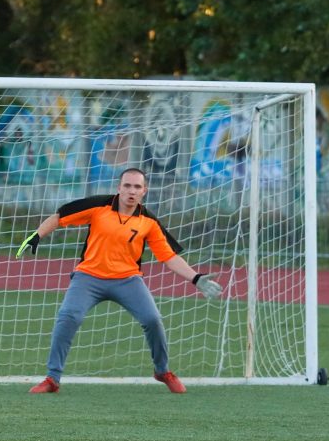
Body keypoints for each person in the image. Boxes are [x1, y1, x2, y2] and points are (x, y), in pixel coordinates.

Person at [17, 167, 223, 394]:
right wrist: (37, 235)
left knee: (153, 319)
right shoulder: (98, 206)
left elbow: (169, 256)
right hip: (88, 277)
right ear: (119, 188)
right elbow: (60, 216)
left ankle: (162, 370)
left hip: (128, 280)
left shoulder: (149, 222)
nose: (131, 191)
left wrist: (196, 278)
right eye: (127, 185)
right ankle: (52, 379)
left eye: (137, 187)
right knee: (69, 316)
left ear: (144, 190)